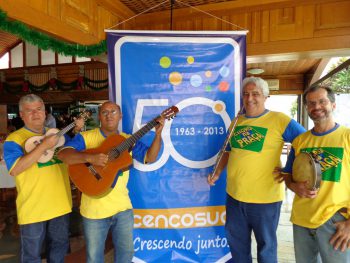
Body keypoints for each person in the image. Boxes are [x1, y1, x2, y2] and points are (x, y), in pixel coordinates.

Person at [207, 77, 306, 263]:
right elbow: (227, 150)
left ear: (266, 96)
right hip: (235, 198)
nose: (250, 98)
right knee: (238, 248)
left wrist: (288, 169)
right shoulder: (236, 122)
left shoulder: (280, 119)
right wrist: (218, 171)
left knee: (266, 250)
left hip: (265, 201)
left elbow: (305, 142)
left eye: (255, 94)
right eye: (246, 94)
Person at [57, 101, 164, 263]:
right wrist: (90, 157)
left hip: (122, 208)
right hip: (93, 210)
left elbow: (149, 158)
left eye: (113, 112)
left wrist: (158, 135)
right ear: (99, 116)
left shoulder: (128, 140)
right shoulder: (86, 137)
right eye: (105, 112)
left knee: (126, 254)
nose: (109, 115)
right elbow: (63, 155)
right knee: (94, 258)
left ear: (120, 116)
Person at [3, 94, 83, 262]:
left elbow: (72, 151)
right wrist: (44, 146)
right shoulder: (14, 139)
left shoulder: (56, 133)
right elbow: (16, 169)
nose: (35, 114)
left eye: (39, 109)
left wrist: (76, 131)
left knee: (59, 247)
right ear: (21, 115)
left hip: (60, 204)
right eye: (29, 111)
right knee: (32, 255)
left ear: (45, 112)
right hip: (33, 207)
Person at [281, 86, 350, 262]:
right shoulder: (300, 141)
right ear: (307, 108)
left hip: (335, 220)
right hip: (302, 220)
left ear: (333, 105)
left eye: (322, 101)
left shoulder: (346, 137)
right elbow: (288, 174)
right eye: (311, 103)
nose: (316, 106)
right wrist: (293, 186)